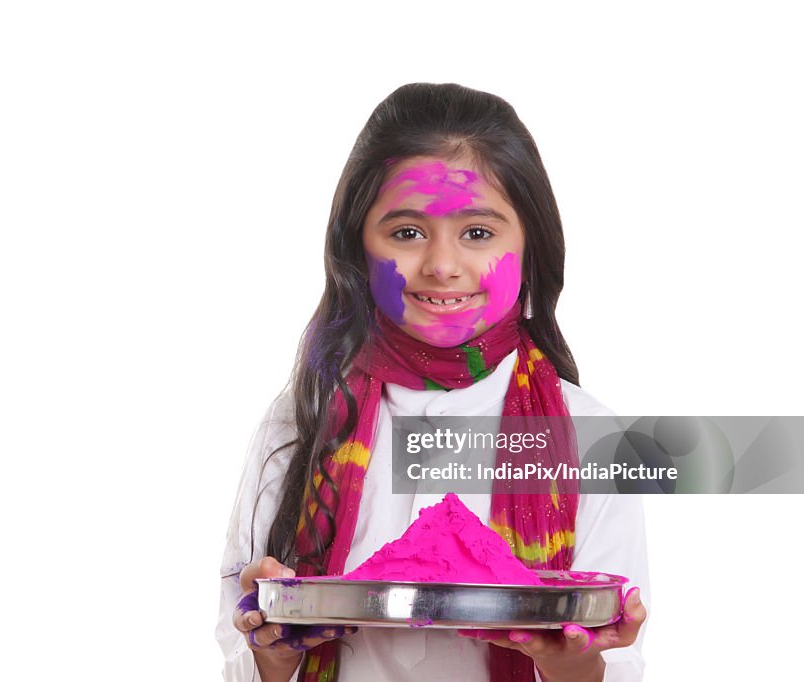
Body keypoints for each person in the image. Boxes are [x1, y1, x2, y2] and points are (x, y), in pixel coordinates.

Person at [216, 83, 649, 682]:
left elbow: (622, 668)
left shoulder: (590, 434)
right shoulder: (302, 417)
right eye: (407, 233)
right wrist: (272, 651)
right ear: (355, 247)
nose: (442, 265)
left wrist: (575, 661)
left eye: (478, 233)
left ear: (531, 246)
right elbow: (237, 661)